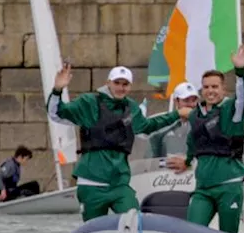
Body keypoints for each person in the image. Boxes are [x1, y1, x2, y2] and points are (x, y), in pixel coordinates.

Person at [49, 64, 188, 221]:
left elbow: (147, 127)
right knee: (93, 230)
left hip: (119, 183)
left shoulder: (131, 107)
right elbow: (56, 113)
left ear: (130, 87)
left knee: (136, 221)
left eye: (125, 84)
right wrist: (57, 90)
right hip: (92, 182)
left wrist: (177, 114)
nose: (121, 88)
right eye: (117, 83)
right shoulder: (89, 102)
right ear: (108, 83)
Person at [169, 44, 244, 233]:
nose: (210, 91)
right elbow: (193, 141)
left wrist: (240, 70)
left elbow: (243, 96)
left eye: (215, 87)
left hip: (228, 185)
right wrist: (187, 161)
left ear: (223, 89)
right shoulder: (196, 115)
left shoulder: (232, 110)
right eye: (206, 87)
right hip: (203, 188)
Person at [148, 82, 200, 168]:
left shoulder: (204, 124)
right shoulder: (164, 123)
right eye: (186, 100)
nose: (191, 104)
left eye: (194, 100)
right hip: (165, 178)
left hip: (194, 176)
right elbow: (151, 160)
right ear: (176, 101)